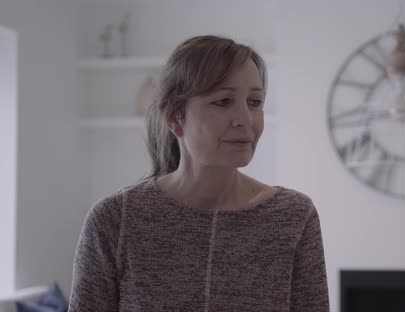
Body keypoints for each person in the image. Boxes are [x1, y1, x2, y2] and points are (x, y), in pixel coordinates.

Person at [68, 35, 330, 311]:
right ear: (174, 117)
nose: (246, 120)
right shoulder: (114, 221)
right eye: (223, 101)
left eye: (255, 102)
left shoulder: (294, 217)